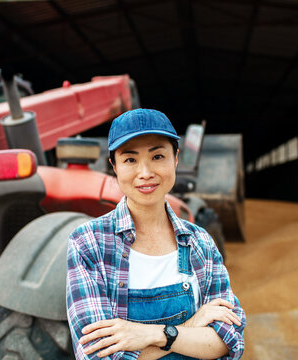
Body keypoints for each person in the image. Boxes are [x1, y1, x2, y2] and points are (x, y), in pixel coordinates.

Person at [66, 109, 245, 359]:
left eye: (158, 156)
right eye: (130, 160)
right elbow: (97, 356)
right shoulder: (89, 244)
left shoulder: (200, 242)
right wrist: (190, 327)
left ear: (175, 159)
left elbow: (230, 339)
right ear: (114, 166)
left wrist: (151, 335)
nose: (145, 172)